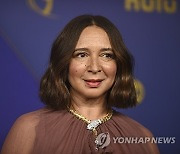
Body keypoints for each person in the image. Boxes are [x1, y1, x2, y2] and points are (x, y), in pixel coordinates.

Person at [1, 15, 159, 154]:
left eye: (106, 55)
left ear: (118, 64)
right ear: (64, 63)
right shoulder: (29, 129)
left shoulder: (143, 137)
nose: (94, 67)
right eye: (82, 55)